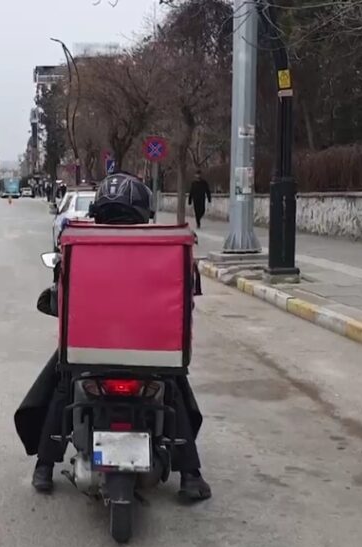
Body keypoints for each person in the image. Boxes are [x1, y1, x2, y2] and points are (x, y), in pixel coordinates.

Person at [14, 172, 213, 502]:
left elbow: (61, 293)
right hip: (154, 355)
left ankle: (44, 466)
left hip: (87, 351)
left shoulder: (77, 240)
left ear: (100, 208)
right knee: (175, 389)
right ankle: (191, 475)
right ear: (143, 209)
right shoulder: (164, 243)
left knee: (61, 385)